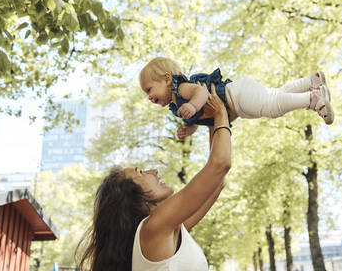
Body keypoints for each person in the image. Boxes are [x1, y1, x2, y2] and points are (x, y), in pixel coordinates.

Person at [76, 84, 231, 271]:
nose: (154, 171)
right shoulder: (154, 227)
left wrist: (210, 120)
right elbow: (220, 165)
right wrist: (221, 114)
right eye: (141, 173)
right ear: (132, 197)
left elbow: (217, 182)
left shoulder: (170, 228)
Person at [139, 57, 334, 141]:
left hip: (236, 96)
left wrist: (192, 104)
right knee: (275, 96)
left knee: (273, 107)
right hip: (239, 101)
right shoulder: (177, 105)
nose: (149, 97)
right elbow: (198, 121)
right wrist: (187, 130)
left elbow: (202, 94)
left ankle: (312, 99)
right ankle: (311, 82)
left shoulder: (181, 88)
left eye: (149, 89)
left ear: (166, 79)